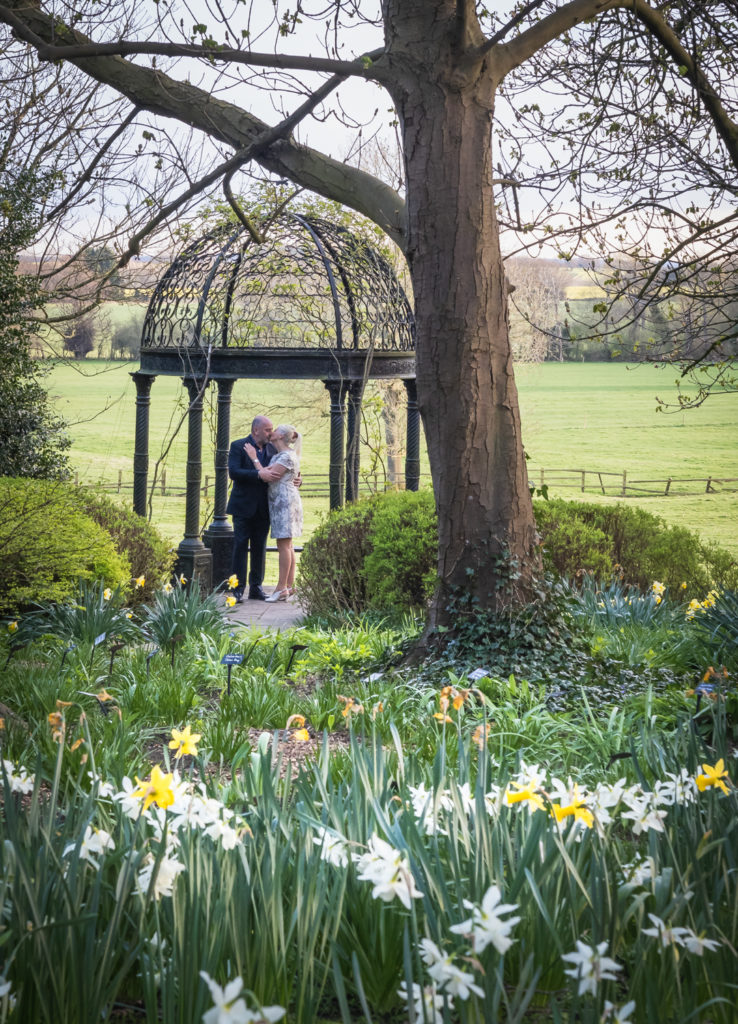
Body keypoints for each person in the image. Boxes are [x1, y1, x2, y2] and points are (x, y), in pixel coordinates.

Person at [244, 424, 303, 602]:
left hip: (284, 502)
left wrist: (254, 459)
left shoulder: (286, 456)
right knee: (288, 544)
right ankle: (288, 586)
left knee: (284, 545)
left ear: (281, 436)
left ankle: (281, 588)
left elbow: (268, 475)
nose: (272, 432)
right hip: (280, 501)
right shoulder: (280, 454)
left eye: (275, 430)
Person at [225, 415, 274, 601]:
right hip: (243, 505)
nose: (271, 432)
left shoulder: (272, 448)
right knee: (240, 546)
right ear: (256, 430)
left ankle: (256, 587)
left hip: (263, 507)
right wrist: (258, 474)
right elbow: (234, 472)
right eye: (268, 429)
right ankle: (237, 589)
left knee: (259, 547)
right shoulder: (239, 446)